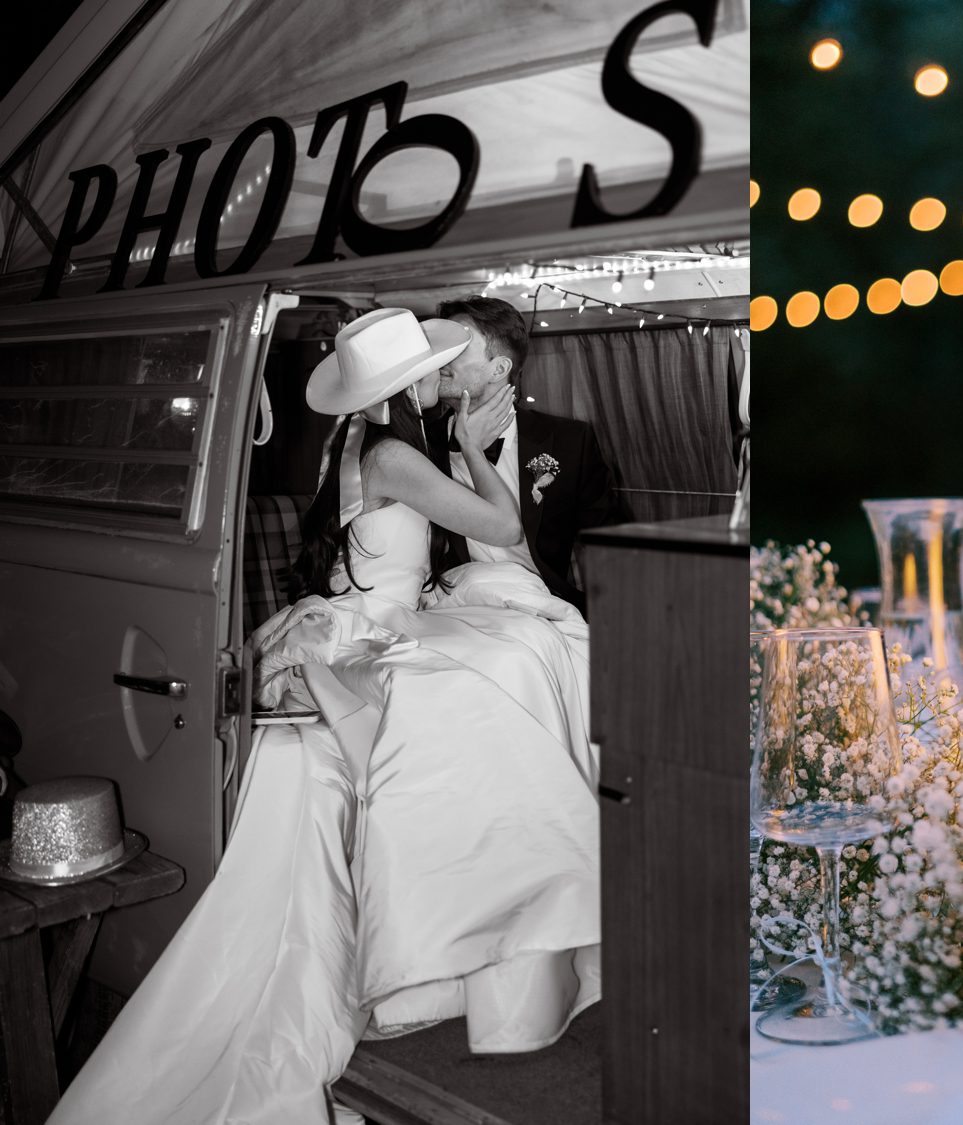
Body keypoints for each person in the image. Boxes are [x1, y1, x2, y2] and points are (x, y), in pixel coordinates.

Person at [48, 309, 600, 1125]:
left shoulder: (353, 445)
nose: (440, 379)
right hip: (373, 630)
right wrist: (479, 453)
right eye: (430, 370)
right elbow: (505, 527)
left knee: (513, 654)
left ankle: (459, 951)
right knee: (505, 687)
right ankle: (487, 940)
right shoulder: (395, 455)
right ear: (409, 384)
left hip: (360, 617)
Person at [425, 295, 626, 618]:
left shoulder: (568, 441)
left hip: (546, 606)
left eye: (458, 346)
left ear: (500, 368)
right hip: (455, 607)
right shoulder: (420, 443)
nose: (440, 358)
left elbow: (611, 542)